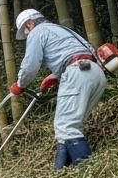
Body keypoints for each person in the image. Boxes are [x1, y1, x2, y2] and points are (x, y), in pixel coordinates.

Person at [9, 9, 107, 169]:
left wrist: (20, 84)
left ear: (30, 23)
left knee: (66, 127)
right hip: (96, 72)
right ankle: (59, 173)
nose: (27, 34)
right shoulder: (61, 29)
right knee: (67, 128)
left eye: (25, 31)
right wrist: (55, 75)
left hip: (77, 72)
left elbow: (30, 65)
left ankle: (87, 172)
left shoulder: (37, 32)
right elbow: (84, 51)